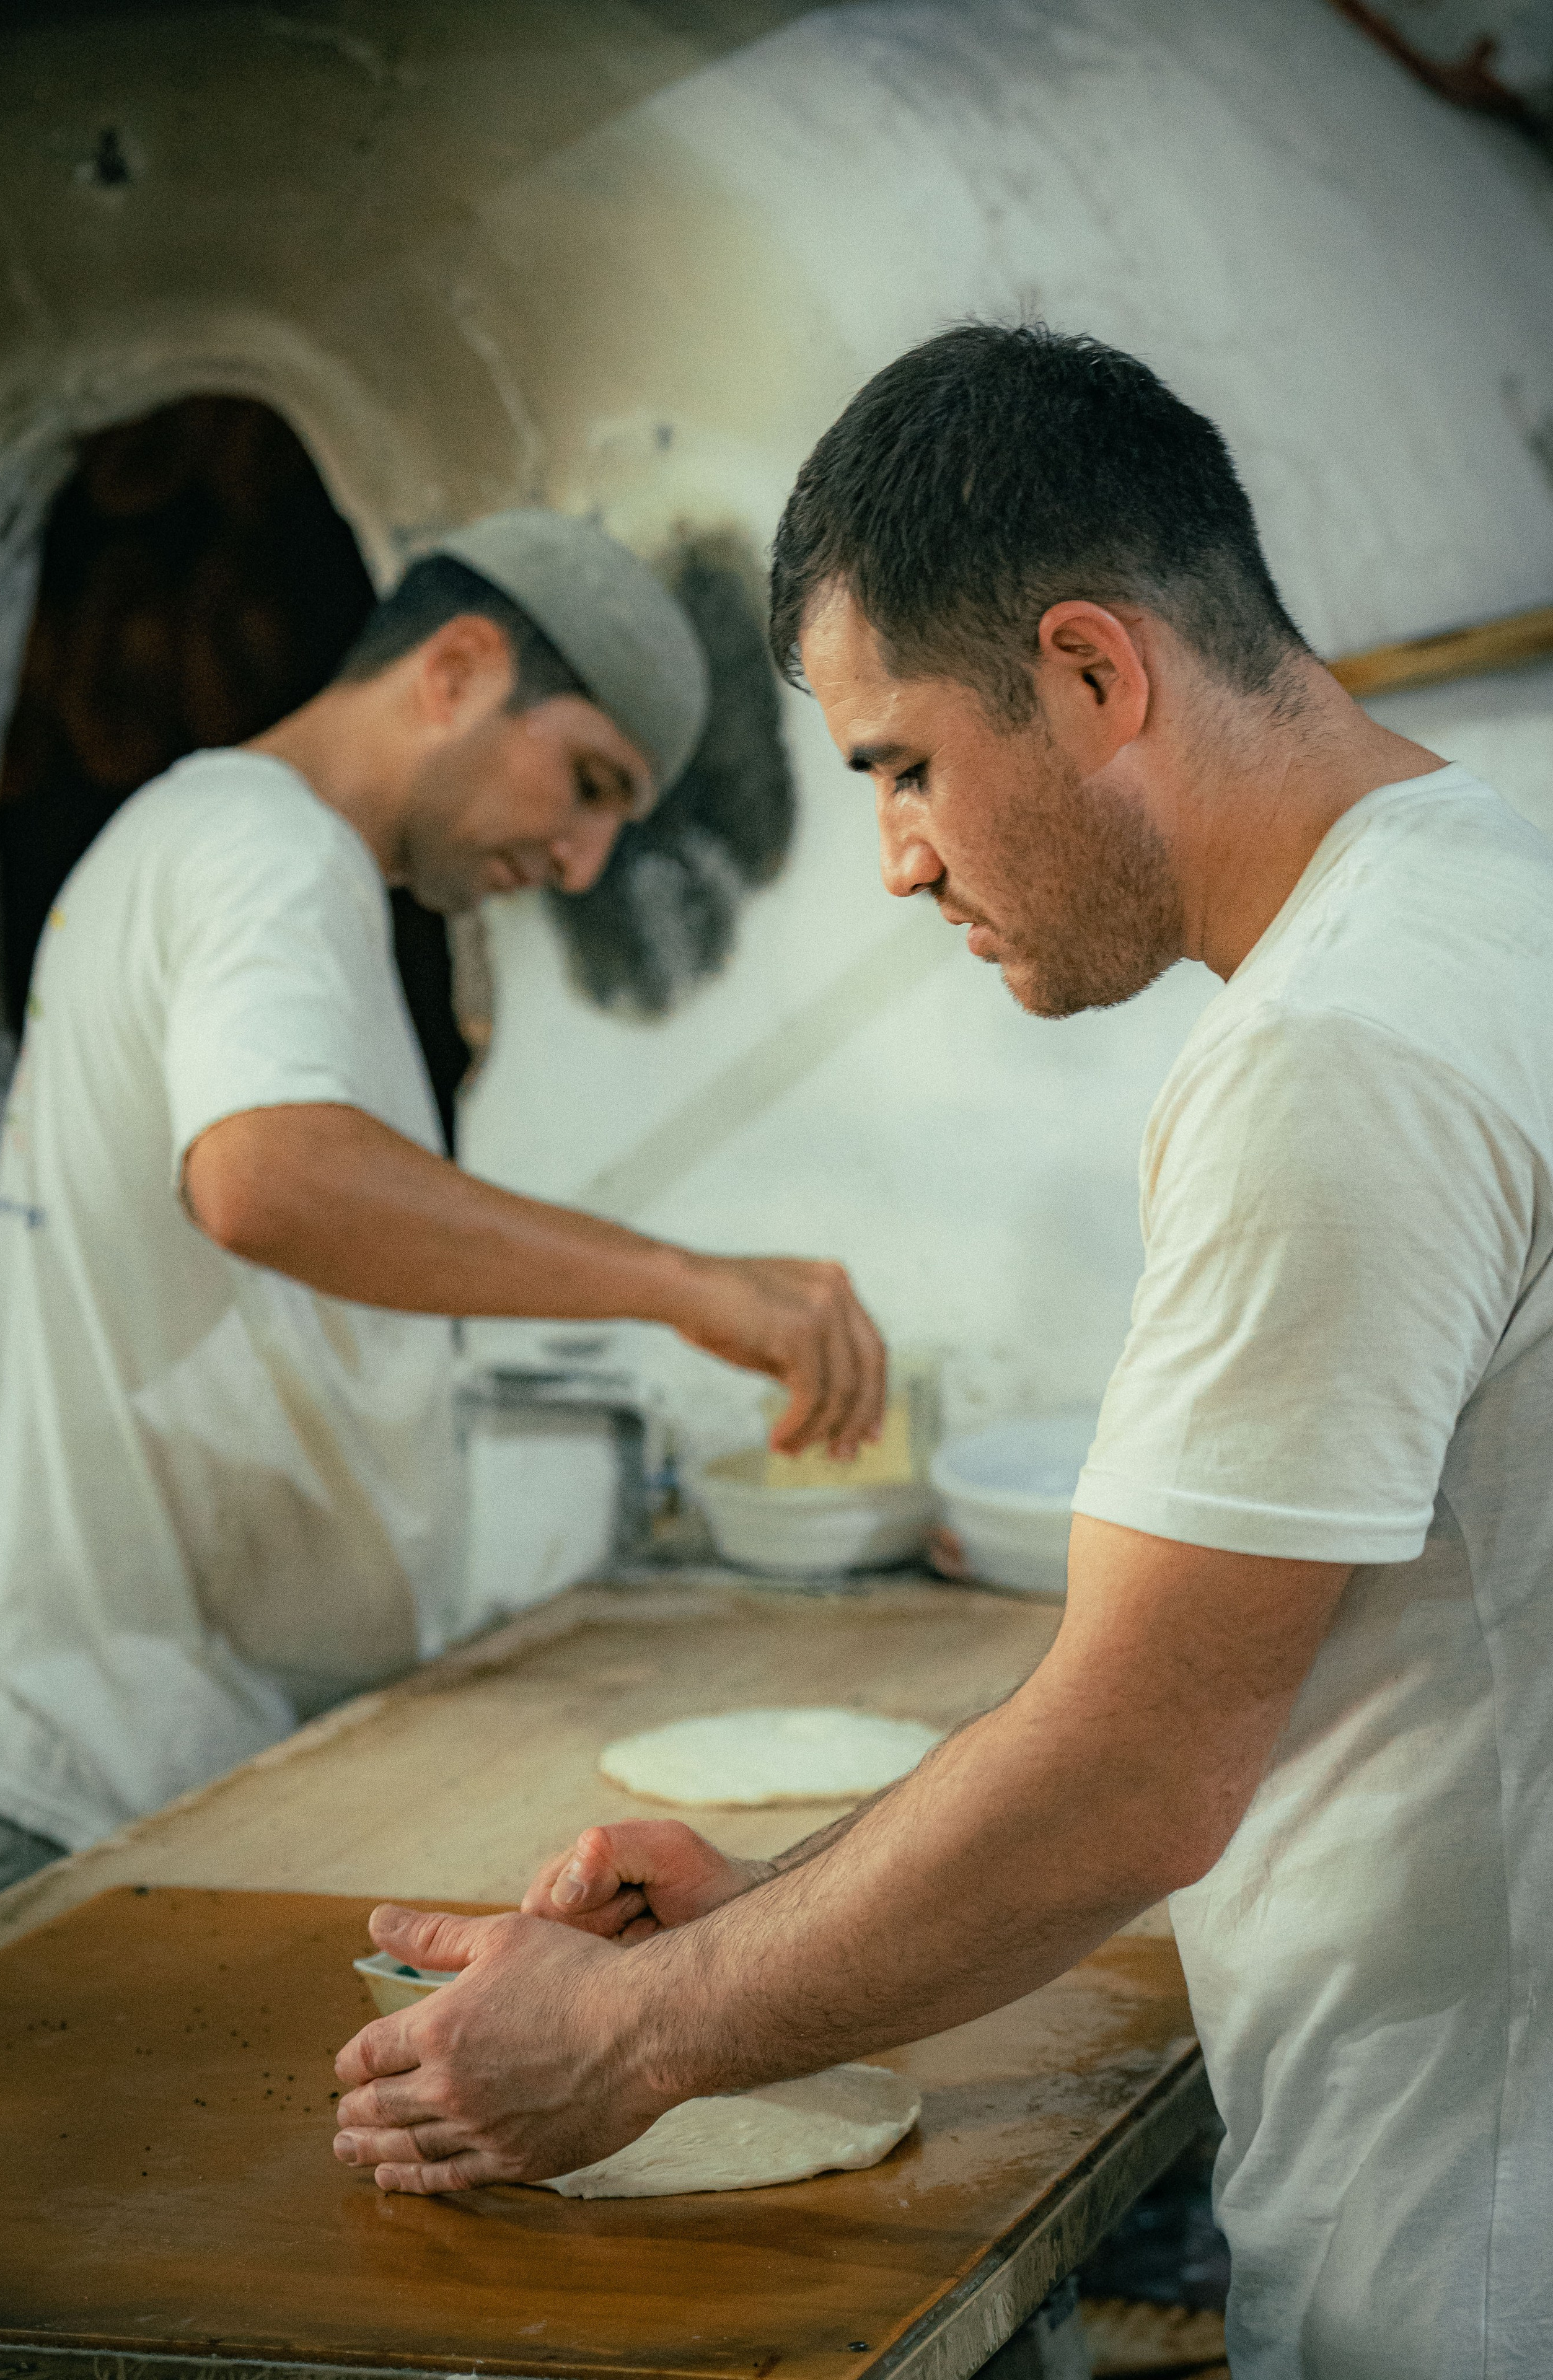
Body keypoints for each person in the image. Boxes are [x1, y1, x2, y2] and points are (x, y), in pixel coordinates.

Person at [329, 329, 1553, 2380]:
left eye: (901, 765)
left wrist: (633, 2029)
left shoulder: (1332, 1053)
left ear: (1091, 670)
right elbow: (1278, 1678)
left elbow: (1136, 1767)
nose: (899, 859)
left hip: (1471, 2250)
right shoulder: (1498, 896)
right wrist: (773, 1913)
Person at [0, 508, 884, 1904]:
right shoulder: (266, 848)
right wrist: (684, 1280)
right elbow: (264, 1176)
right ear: (456, 668)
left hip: (133, 1742)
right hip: (84, 1764)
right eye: (585, 782)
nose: (579, 863)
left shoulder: (221, 843)